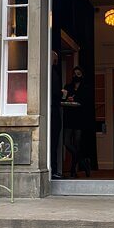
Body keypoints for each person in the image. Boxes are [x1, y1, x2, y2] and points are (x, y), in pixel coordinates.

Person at [62, 66, 91, 178]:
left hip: (80, 118)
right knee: (67, 142)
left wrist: (76, 99)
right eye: (74, 74)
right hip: (69, 118)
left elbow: (86, 101)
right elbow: (63, 99)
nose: (76, 76)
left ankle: (73, 170)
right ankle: (84, 161)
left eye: (78, 74)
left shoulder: (85, 87)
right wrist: (66, 98)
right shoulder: (67, 87)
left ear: (82, 75)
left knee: (77, 144)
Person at [50, 51, 63, 179]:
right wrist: (61, 94)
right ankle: (53, 169)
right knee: (53, 141)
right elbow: (55, 93)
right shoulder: (53, 74)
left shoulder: (49, 73)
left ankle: (52, 168)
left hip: (51, 109)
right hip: (53, 111)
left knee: (53, 141)